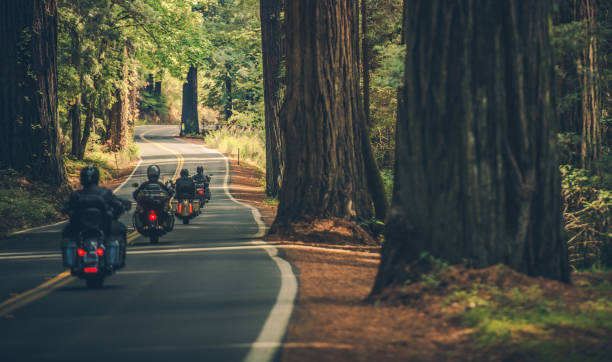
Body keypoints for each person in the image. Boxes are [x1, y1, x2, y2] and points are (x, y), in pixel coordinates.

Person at [63, 165, 131, 243]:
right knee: (120, 229)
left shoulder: (76, 195)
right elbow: (117, 203)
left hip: (81, 228)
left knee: (67, 234)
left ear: (82, 179)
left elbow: (67, 207)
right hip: (101, 226)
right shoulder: (104, 192)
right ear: (97, 178)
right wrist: (123, 205)